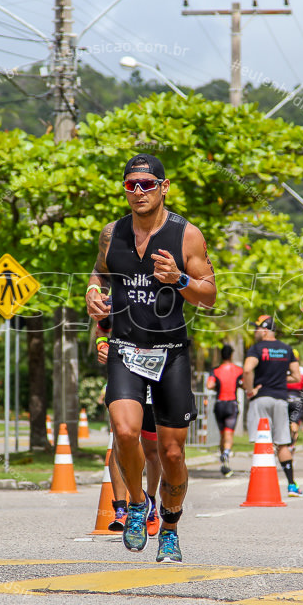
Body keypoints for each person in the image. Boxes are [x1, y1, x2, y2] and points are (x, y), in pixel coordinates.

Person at [86, 153, 216, 564]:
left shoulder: (185, 236)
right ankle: (139, 505)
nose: (138, 192)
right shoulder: (112, 234)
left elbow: (209, 295)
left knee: (173, 454)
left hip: (170, 353)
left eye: (147, 184)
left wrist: (178, 279)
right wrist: (93, 296)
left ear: (164, 187)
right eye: (131, 185)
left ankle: (172, 527)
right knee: (125, 432)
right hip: (126, 348)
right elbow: (99, 275)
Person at [96, 322, 161, 536]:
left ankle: (150, 504)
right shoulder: (120, 295)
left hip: (153, 376)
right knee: (120, 440)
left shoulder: (162, 295)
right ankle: (122, 508)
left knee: (152, 450)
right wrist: (101, 346)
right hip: (123, 376)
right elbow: (102, 328)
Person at [242, 315, 302, 496]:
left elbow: (247, 369)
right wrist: (279, 379)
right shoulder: (286, 349)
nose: (255, 331)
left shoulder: (257, 348)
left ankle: (262, 487)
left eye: (258, 328)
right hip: (280, 399)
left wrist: (250, 389)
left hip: (261, 399)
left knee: (262, 442)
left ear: (265, 329)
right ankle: (291, 485)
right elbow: (297, 377)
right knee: (283, 443)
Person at [207, 345, 242, 477]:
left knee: (222, 434)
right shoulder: (238, 370)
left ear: (221, 355)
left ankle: (224, 464)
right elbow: (244, 384)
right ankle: (226, 453)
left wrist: (217, 387)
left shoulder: (215, 370)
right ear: (231, 355)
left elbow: (209, 385)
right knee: (229, 434)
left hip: (219, 404)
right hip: (232, 404)